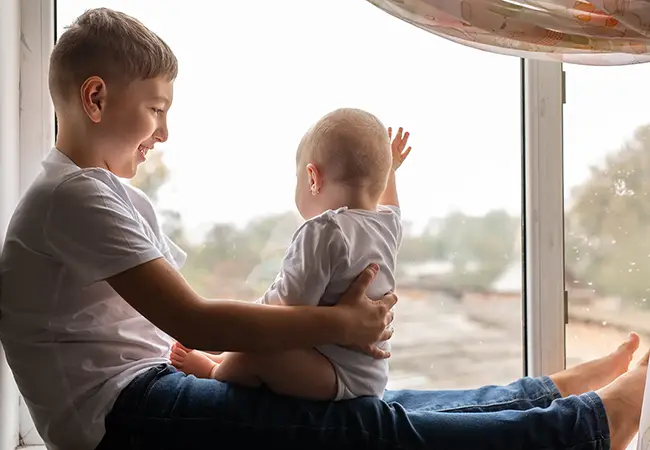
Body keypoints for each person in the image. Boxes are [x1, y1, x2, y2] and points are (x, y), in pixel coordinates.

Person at [0, 7, 646, 450]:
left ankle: (543, 398)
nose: (163, 133)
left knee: (381, 413)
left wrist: (232, 363)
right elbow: (194, 321)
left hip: (145, 398)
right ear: (95, 99)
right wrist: (341, 326)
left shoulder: (99, 195)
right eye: (155, 111)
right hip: (122, 423)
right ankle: (582, 430)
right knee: (364, 433)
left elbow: (176, 330)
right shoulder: (73, 198)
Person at [171, 108, 409, 401]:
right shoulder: (387, 224)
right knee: (263, 345)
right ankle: (223, 358)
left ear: (312, 177)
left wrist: (244, 323)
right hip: (369, 377)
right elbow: (391, 204)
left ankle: (213, 371)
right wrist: (391, 171)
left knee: (260, 351)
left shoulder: (325, 229)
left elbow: (288, 306)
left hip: (330, 374)